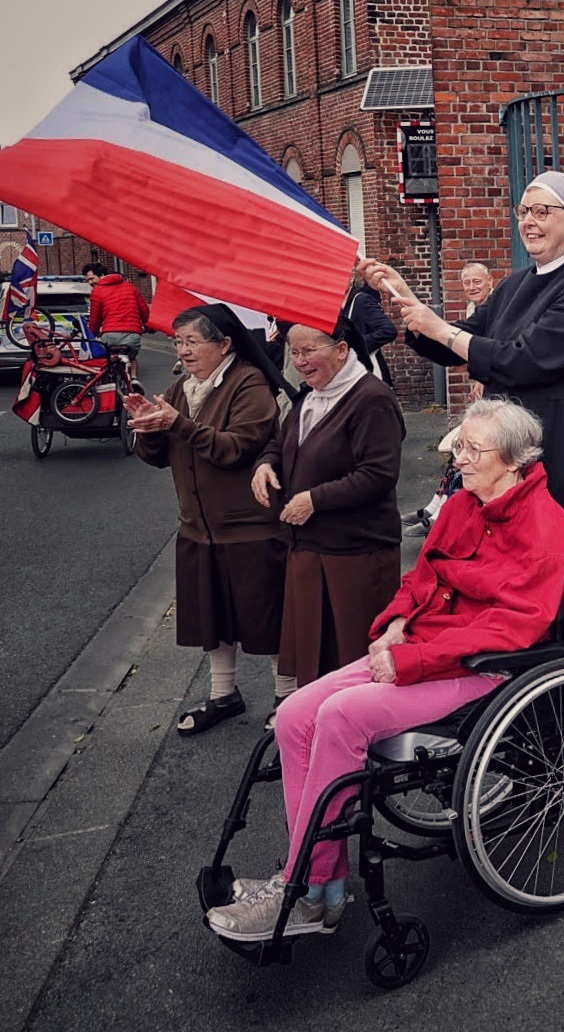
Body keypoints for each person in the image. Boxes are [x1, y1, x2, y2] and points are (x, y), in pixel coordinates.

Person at [205, 400, 564, 942]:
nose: (460, 458)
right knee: (295, 714)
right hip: (420, 647)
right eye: (459, 445)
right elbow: (421, 578)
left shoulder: (544, 524)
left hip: (479, 668)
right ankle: (323, 887)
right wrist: (397, 621)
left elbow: (513, 628)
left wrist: (410, 658)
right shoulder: (461, 505)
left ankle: (302, 886)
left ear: (514, 461)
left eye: (473, 449)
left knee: (342, 717)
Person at [361, 170, 564, 692]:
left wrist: (442, 330)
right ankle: (527, 701)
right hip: (515, 448)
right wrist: (408, 303)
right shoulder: (519, 284)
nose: (529, 221)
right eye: (524, 211)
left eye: (542, 211)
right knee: (516, 576)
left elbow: (525, 362)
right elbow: (464, 343)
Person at [128, 304, 293, 734]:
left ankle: (287, 699)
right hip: (198, 528)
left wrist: (177, 424)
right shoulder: (184, 387)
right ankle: (224, 695)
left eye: (192, 342)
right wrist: (147, 428)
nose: (182, 351)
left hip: (249, 527)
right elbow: (161, 457)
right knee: (213, 618)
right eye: (177, 341)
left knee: (266, 616)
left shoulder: (249, 383)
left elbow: (236, 448)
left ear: (224, 344)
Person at [252, 318, 406, 728]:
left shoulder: (372, 399)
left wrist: (314, 500)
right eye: (294, 352)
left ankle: (361, 744)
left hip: (357, 553)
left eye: (308, 351)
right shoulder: (310, 396)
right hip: (309, 549)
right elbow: (279, 443)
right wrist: (267, 465)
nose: (299, 361)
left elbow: (378, 475)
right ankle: (316, 732)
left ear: (341, 349)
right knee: (315, 656)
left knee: (352, 659)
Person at [402, 261, 500, 538]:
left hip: (497, 400)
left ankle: (443, 514)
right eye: (467, 283)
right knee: (462, 453)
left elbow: (490, 349)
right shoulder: (475, 310)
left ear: (491, 281)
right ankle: (437, 506)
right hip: (486, 397)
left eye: (477, 282)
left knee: (469, 456)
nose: (471, 288)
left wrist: (481, 378)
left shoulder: (494, 307)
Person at [83, 262, 149, 380]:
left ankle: (109, 383)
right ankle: (133, 380)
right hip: (132, 335)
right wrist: (149, 327)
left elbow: (95, 319)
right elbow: (144, 310)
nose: (90, 283)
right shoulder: (130, 287)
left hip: (110, 335)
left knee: (106, 359)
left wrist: (91, 335)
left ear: (102, 274)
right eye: (87, 280)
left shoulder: (97, 292)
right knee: (131, 358)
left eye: (91, 279)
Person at [340, 270, 398, 386]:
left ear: (351, 278)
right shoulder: (337, 306)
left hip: (369, 372)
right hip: (350, 374)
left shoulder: (361, 300)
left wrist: (357, 346)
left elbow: (388, 330)